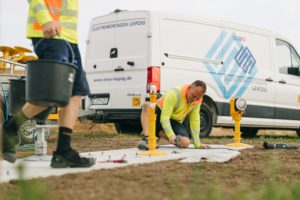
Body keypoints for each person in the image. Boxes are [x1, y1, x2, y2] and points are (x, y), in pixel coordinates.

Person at [1, 0, 95, 168]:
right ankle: (11, 127)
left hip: (69, 38)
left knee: (76, 92)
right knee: (53, 91)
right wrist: (46, 19)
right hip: (49, 33)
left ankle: (63, 152)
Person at [138, 80, 208, 150]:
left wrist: (197, 143)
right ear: (189, 88)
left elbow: (194, 120)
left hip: (174, 121)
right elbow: (164, 117)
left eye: (198, 98)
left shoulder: (197, 100)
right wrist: (170, 134)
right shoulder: (174, 93)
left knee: (186, 142)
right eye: (193, 96)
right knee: (147, 106)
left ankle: (158, 133)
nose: (194, 99)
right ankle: (148, 138)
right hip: (160, 113)